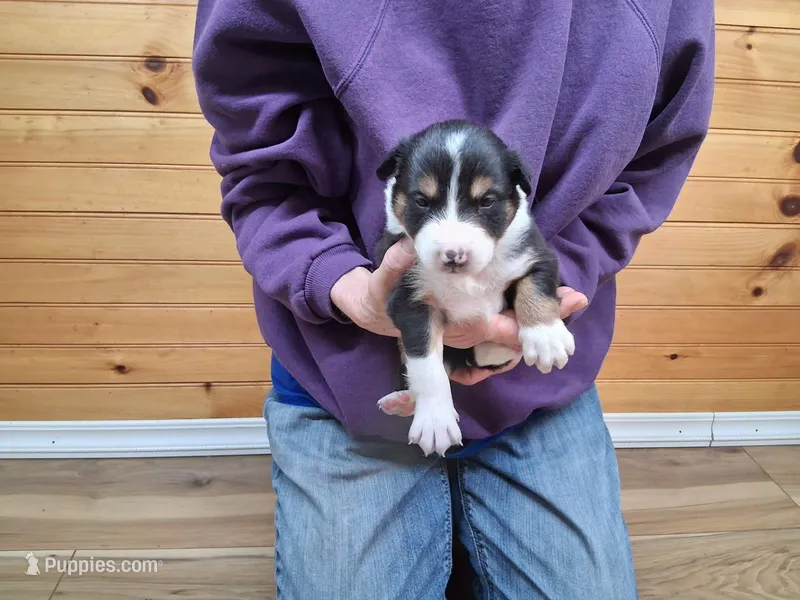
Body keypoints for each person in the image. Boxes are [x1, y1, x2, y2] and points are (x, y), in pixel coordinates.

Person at [192, 0, 714, 597]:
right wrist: (342, 284)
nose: (455, 241)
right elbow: (261, 169)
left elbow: (648, 166)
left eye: (486, 204)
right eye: (424, 202)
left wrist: (532, 306)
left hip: (535, 390)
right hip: (343, 378)